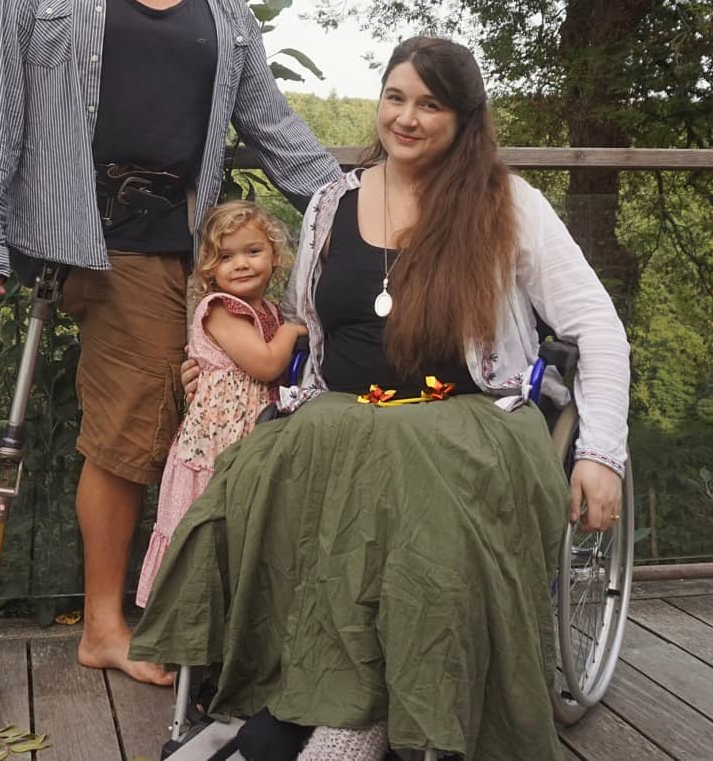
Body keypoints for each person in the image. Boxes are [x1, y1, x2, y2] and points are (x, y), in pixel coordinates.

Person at [0, 0, 341, 707]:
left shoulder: (218, 2)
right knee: (128, 434)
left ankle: (179, 609)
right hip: (99, 240)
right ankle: (105, 630)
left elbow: (270, 122)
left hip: (186, 246)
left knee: (200, 424)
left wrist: (350, 205)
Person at [130, 37, 630, 760]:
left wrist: (602, 453)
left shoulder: (506, 205)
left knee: (395, 477)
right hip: (341, 409)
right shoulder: (335, 201)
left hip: (469, 418)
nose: (408, 117)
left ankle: (345, 727)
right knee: (259, 475)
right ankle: (304, 704)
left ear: (464, 119)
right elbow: (307, 327)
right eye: (396, 98)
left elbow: (597, 327)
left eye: (431, 105)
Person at [136, 201, 306, 607]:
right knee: (202, 529)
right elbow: (265, 365)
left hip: (244, 441)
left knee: (240, 532)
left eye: (253, 251)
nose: (241, 264)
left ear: (275, 255)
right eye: (226, 257)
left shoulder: (266, 310)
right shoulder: (220, 310)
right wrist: (294, 331)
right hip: (213, 449)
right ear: (209, 270)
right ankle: (178, 628)